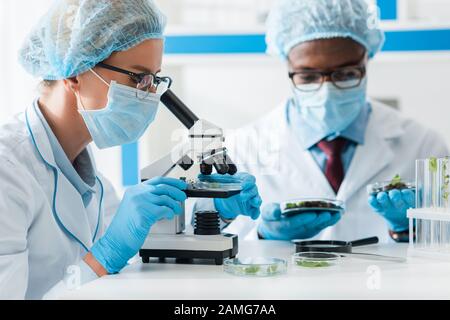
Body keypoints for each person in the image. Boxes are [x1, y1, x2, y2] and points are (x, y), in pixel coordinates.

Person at [0, 0, 261, 300]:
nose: (150, 95)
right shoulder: (7, 173)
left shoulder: (93, 184)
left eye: (155, 79)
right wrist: (103, 257)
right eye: (139, 78)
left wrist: (214, 214)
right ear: (74, 73)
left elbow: (138, 266)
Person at [220, 0, 448, 242]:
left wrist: (408, 229)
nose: (327, 90)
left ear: (367, 59)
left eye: (346, 74)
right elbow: (220, 254)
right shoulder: (243, 148)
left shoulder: (424, 146)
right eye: (308, 76)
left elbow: (443, 252)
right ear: (287, 64)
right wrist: (264, 236)